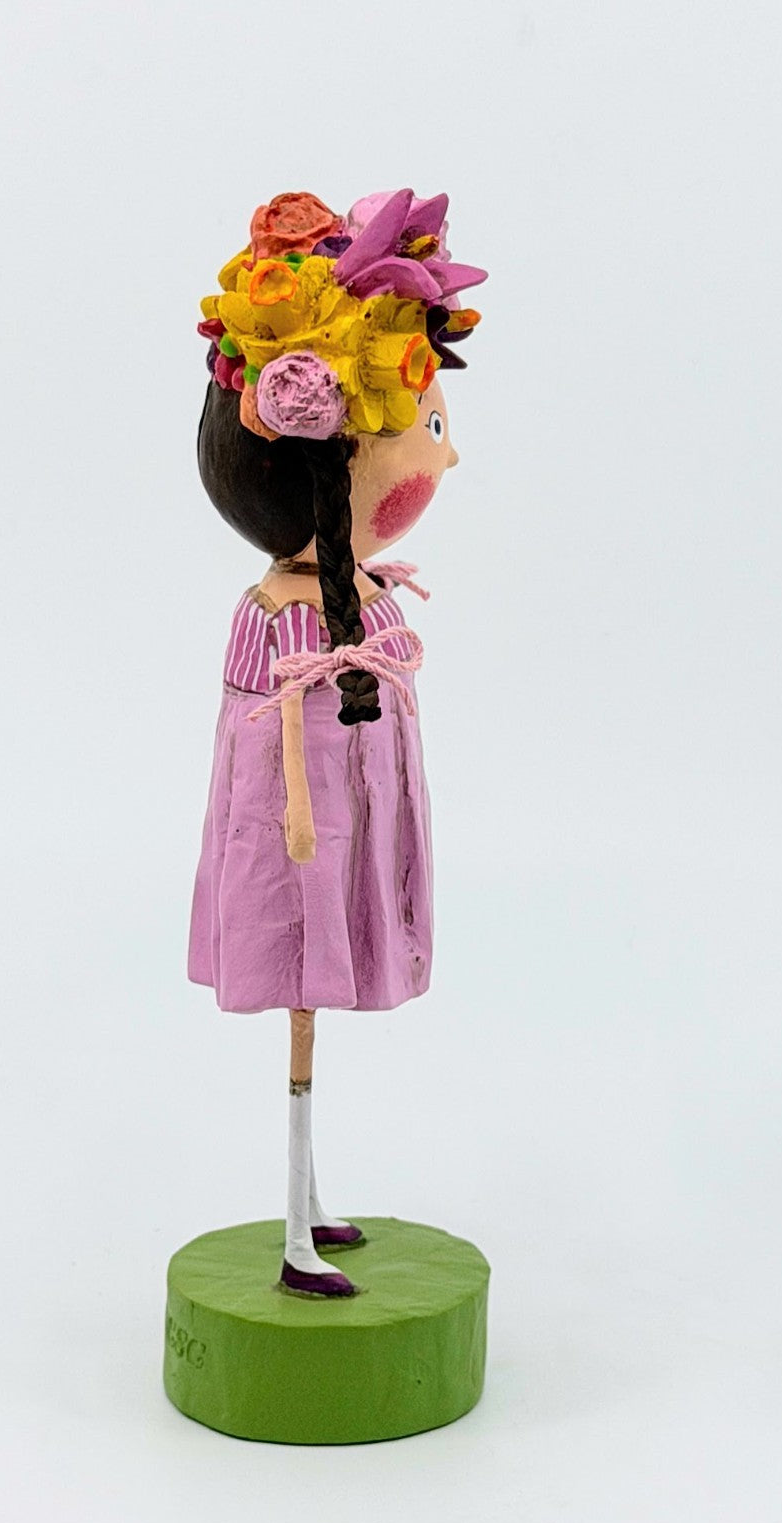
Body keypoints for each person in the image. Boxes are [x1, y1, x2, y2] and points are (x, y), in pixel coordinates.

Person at [187, 189, 486, 1297]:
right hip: (299, 843)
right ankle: (295, 1233)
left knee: (325, 1005)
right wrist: (303, 829)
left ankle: (311, 1205)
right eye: (426, 434)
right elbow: (258, 753)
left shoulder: (369, 598)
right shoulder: (278, 615)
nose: (444, 460)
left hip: (359, 820)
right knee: (301, 1006)